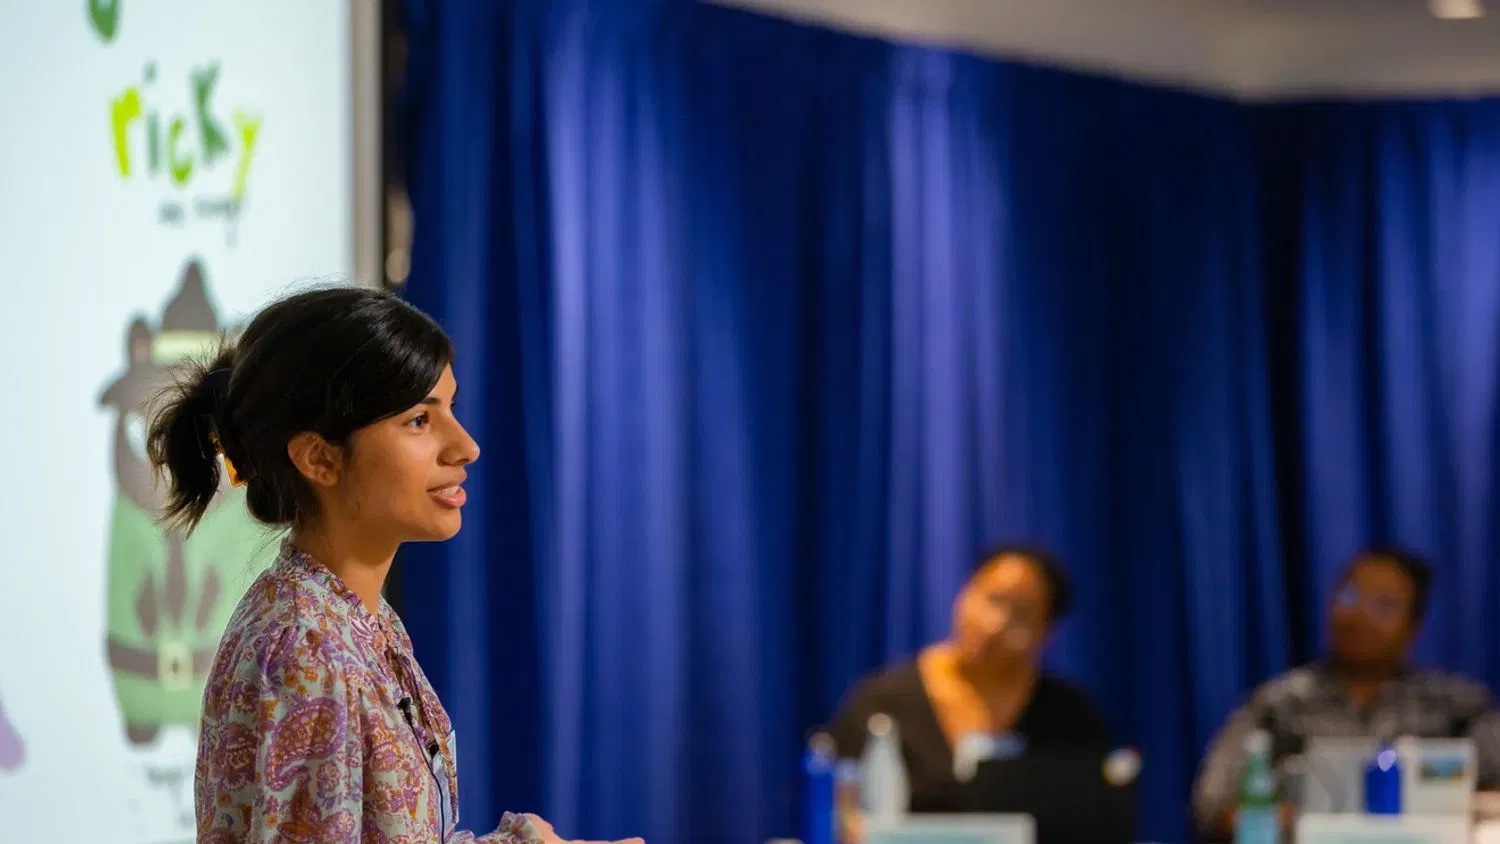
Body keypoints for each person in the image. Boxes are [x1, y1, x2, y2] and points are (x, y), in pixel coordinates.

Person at [148, 287, 640, 844]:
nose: (465, 446)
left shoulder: (354, 615)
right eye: (417, 421)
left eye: (449, 409)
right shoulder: (305, 650)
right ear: (319, 458)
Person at [1191, 547, 1500, 842]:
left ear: (1413, 626)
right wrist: (1300, 819)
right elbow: (1211, 807)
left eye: (1383, 605)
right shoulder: (1278, 705)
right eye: (1349, 596)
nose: (1358, 616)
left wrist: (1453, 811)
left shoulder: (1460, 708)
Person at [826, 546, 1111, 836]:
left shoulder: (1069, 715)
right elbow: (839, 810)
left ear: (1047, 632)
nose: (995, 625)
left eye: (1021, 615)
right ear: (965, 592)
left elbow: (1096, 823)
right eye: (992, 599)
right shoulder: (883, 700)